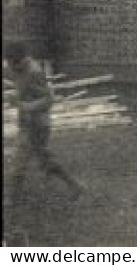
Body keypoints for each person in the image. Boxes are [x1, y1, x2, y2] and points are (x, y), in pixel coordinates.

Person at [5, 41, 83, 235]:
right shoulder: (14, 67)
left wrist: (24, 105)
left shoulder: (34, 71)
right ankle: (75, 185)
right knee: (45, 161)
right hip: (26, 123)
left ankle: (10, 202)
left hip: (38, 125)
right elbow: (22, 89)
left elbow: (49, 99)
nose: (9, 66)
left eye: (12, 63)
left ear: (20, 60)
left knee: (18, 164)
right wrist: (16, 96)